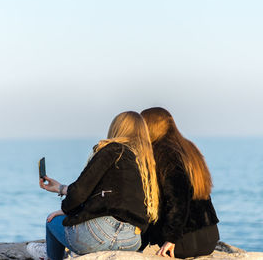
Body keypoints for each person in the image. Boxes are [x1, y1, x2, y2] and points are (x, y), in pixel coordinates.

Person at [26, 111, 160, 260]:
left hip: (99, 233)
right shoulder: (146, 162)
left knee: (51, 222)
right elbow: (105, 195)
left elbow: (80, 192)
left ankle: (52, 256)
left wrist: (66, 209)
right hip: (131, 240)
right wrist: (61, 188)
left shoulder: (112, 149)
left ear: (116, 128)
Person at [140, 107, 219, 259]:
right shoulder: (187, 147)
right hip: (209, 237)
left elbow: (178, 197)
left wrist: (171, 238)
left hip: (183, 241)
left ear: (149, 127)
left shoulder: (163, 151)